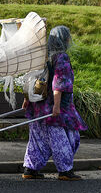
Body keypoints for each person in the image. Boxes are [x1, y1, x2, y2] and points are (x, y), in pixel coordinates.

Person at [22, 25, 88, 181]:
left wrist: (26, 99)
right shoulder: (61, 57)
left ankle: (29, 169)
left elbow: (30, 79)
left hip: (37, 105)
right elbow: (59, 83)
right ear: (64, 40)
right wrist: (56, 106)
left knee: (37, 139)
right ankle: (65, 171)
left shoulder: (41, 57)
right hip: (55, 107)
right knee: (66, 138)